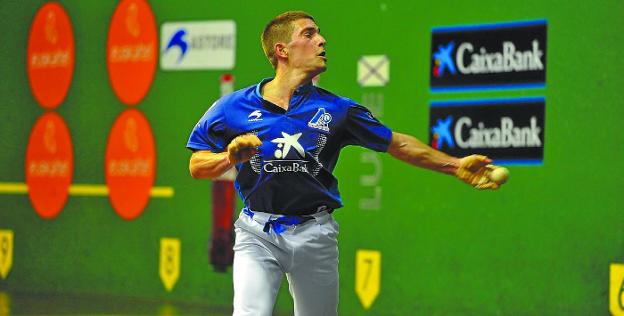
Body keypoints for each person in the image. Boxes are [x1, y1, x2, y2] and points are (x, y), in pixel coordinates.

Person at [187, 11, 502, 316]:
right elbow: (197, 165)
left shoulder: (338, 110)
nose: (322, 41)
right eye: (309, 34)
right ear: (281, 50)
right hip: (257, 231)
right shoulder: (233, 107)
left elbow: (397, 143)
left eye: (319, 33)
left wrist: (454, 165)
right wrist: (229, 156)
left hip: (314, 232)